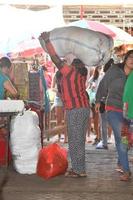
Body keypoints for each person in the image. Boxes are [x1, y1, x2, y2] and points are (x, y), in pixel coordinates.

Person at [39, 32, 90, 177]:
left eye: (66, 58)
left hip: (76, 110)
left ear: (71, 61)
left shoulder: (70, 71)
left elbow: (55, 59)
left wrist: (48, 41)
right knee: (78, 140)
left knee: (75, 140)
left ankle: (79, 170)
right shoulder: (81, 72)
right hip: (82, 108)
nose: (63, 60)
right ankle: (80, 168)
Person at [95, 50, 133, 181]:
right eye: (130, 57)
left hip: (129, 112)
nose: (132, 60)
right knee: (122, 137)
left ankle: (120, 161)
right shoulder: (115, 70)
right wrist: (99, 100)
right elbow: (103, 84)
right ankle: (127, 171)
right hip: (113, 109)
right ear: (126, 58)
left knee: (123, 140)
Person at [51, 70, 67, 143]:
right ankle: (59, 137)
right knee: (59, 119)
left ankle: (66, 138)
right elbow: (52, 87)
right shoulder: (56, 74)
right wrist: (58, 91)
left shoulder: (68, 74)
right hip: (58, 98)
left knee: (67, 119)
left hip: (67, 98)